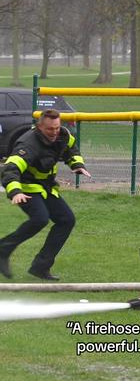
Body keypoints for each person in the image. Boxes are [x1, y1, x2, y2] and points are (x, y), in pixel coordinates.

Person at [0, 108, 91, 280]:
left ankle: (41, 267)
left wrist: (77, 165)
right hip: (26, 187)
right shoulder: (28, 144)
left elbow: (71, 149)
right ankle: (3, 250)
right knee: (40, 219)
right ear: (39, 127)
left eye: (57, 127)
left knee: (66, 220)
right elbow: (10, 169)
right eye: (50, 129)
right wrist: (15, 192)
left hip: (47, 187)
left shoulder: (63, 134)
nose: (55, 132)